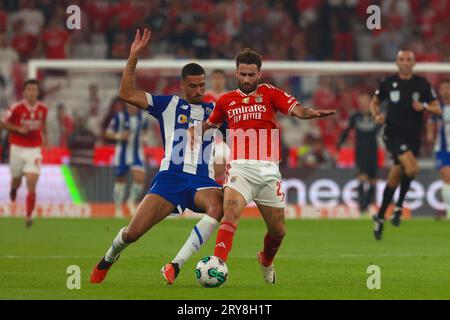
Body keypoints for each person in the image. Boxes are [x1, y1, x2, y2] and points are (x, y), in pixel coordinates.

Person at [90, 29, 224, 285]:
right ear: (182, 85)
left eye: (202, 85)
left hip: (201, 181)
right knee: (132, 233)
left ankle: (175, 265)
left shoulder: (215, 111)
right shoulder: (168, 105)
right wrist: (133, 58)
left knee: (218, 206)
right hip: (170, 179)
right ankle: (107, 259)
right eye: (193, 86)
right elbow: (127, 94)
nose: (198, 90)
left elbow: (241, 130)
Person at [190, 48, 335, 283]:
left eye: (251, 75)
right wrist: (194, 131)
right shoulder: (225, 100)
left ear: (259, 74)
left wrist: (309, 113)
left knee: (278, 231)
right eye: (242, 74)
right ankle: (217, 263)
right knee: (231, 213)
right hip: (239, 168)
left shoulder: (270, 93)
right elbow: (210, 123)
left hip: (268, 170)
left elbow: (297, 109)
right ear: (236, 73)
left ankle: (266, 260)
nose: (247, 79)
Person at [370, 49, 440, 240]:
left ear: (414, 63)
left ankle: (380, 216)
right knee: (413, 168)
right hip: (392, 135)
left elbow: (437, 108)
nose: (406, 62)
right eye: (402, 59)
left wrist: (424, 107)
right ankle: (399, 207)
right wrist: (376, 115)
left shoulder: (422, 84)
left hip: (413, 138)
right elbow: (374, 102)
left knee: (395, 177)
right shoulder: (388, 83)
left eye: (409, 59)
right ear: (397, 62)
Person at [0, 79, 48, 228]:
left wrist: (46, 140)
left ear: (38, 92)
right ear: (24, 92)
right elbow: (2, 123)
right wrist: (18, 129)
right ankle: (14, 188)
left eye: (34, 89)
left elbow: (43, 125)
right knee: (17, 180)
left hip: (34, 149)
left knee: (32, 180)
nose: (32, 92)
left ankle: (28, 215)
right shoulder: (16, 108)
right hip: (17, 148)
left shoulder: (43, 109)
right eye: (29, 89)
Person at [337, 92, 380, 214]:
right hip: (360, 152)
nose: (363, 104)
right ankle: (361, 207)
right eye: (361, 101)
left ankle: (369, 204)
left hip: (373, 151)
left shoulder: (376, 115)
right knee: (361, 178)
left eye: (365, 101)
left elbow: (385, 129)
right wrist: (340, 144)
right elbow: (347, 130)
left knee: (373, 180)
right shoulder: (355, 116)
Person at [104, 103, 148, 217]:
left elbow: (145, 130)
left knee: (140, 178)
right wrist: (119, 136)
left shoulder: (142, 117)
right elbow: (108, 133)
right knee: (120, 180)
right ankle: (118, 208)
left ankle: (131, 201)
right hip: (122, 153)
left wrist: (145, 138)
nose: (132, 107)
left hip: (137, 152)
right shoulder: (119, 117)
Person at [427, 79, 450, 219]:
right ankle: (449, 212)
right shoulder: (436, 107)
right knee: (447, 177)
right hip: (442, 148)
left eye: (448, 88)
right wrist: (430, 134)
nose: (445, 91)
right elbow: (431, 122)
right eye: (443, 88)